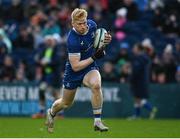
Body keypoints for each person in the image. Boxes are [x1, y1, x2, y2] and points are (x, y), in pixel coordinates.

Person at [45, 8, 112, 133]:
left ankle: (97, 121)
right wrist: (94, 57)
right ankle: (51, 112)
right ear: (73, 24)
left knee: (96, 85)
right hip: (74, 71)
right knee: (66, 103)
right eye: (79, 23)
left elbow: (98, 42)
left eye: (84, 22)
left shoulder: (92, 25)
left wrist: (106, 40)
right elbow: (76, 66)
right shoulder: (72, 39)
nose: (83, 26)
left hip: (89, 67)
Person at [129, 43, 157, 119]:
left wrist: (131, 77)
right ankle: (137, 115)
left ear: (138, 49)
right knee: (136, 98)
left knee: (138, 98)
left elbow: (136, 70)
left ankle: (151, 109)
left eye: (134, 47)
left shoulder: (140, 58)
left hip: (139, 81)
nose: (133, 49)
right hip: (141, 81)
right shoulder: (143, 57)